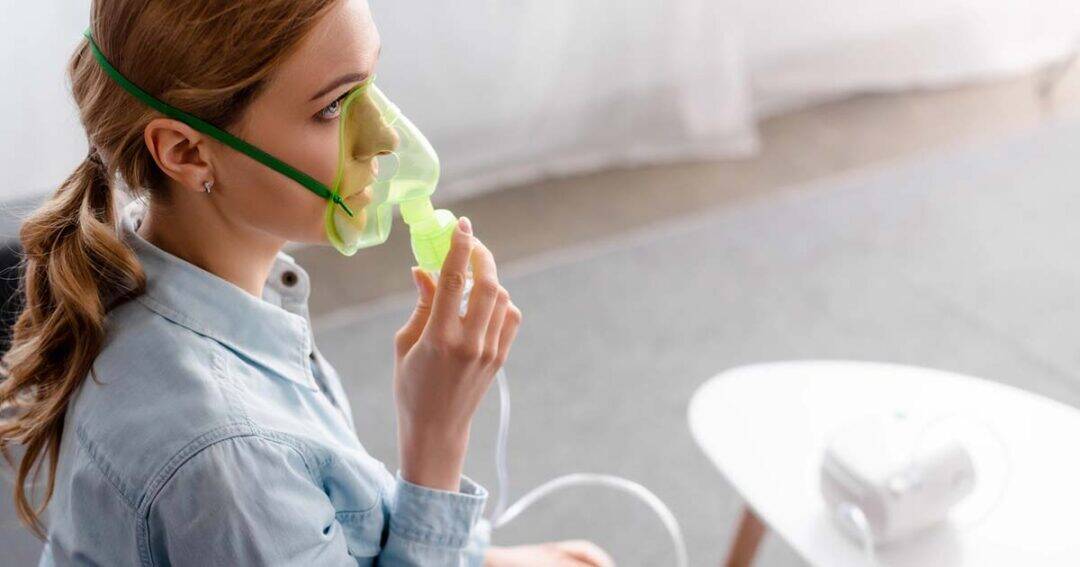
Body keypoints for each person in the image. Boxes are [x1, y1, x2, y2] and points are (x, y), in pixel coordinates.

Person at [0, 1, 614, 565]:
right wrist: (437, 435)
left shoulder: (192, 280)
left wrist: (483, 556)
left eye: (368, 84)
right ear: (187, 154)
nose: (386, 136)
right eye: (334, 106)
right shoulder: (226, 453)